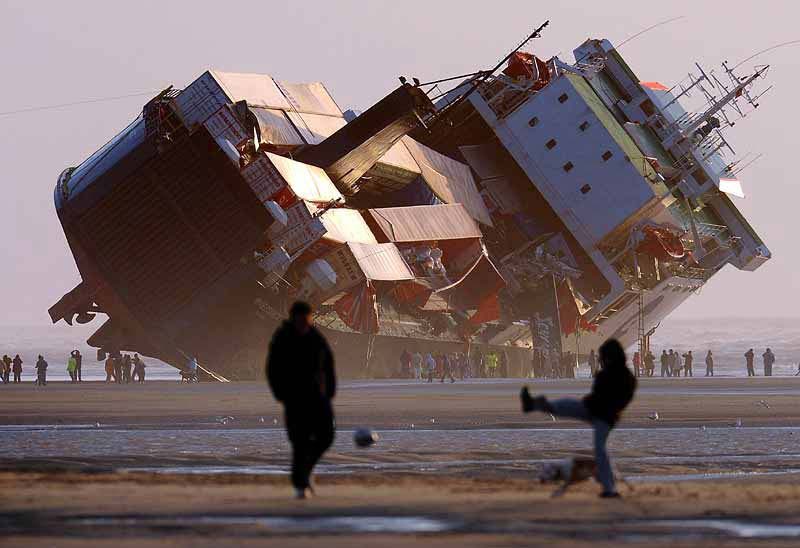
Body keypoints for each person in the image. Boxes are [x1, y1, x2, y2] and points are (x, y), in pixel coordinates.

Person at [520, 339, 636, 498]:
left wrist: (604, 405)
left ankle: (610, 489)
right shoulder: (612, 374)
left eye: (604, 358)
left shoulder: (623, 377)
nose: (602, 361)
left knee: (600, 450)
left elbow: (618, 399)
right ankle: (534, 404)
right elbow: (600, 394)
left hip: (606, 416)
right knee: (566, 405)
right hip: (595, 410)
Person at [267, 301, 336, 500]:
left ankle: (304, 473)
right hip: (294, 399)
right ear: (294, 318)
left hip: (318, 397)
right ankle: (300, 484)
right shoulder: (282, 338)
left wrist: (330, 391)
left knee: (326, 437)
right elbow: (273, 368)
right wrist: (280, 393)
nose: (305, 322)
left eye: (307, 319)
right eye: (302, 319)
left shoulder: (316, 337)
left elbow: (328, 365)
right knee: (300, 442)